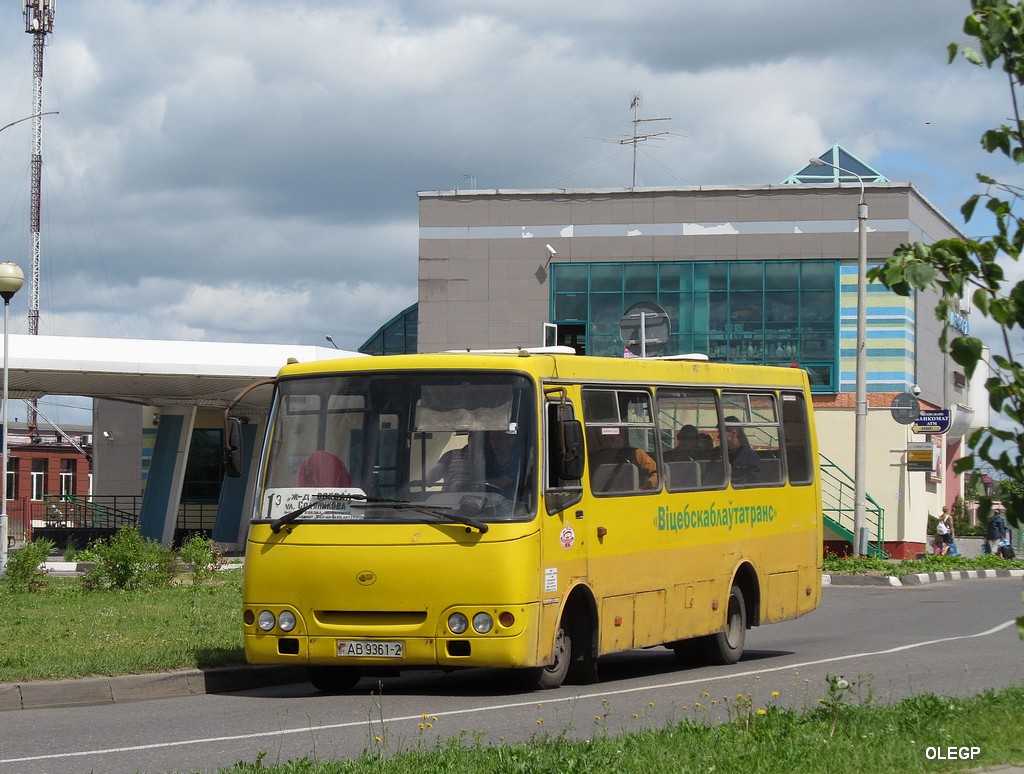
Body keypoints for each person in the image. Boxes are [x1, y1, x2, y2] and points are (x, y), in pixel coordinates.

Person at [590, 428, 659, 490]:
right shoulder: (595, 457)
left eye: (614, 436)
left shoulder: (637, 453)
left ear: (623, 437)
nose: (610, 440)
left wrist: (641, 489)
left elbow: (659, 475)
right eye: (605, 437)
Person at [723, 417, 763, 484]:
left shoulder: (750, 456)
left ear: (733, 434)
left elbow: (757, 484)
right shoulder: (719, 454)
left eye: (721, 434)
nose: (718, 437)